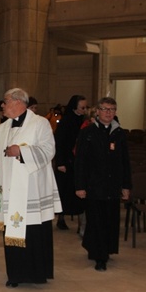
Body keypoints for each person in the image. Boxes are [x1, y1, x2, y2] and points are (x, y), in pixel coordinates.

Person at [0, 87, 61, 286]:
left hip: (32, 190)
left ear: (18, 102)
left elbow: (48, 150)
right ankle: (16, 274)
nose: (3, 105)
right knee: (12, 231)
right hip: (9, 189)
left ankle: (36, 273)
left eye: (6, 101)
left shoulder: (39, 123)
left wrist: (22, 151)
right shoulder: (4, 127)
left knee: (33, 232)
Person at [75, 97, 132, 272]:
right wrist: (80, 186)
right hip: (94, 185)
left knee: (110, 220)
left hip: (112, 185)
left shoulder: (120, 133)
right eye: (105, 109)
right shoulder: (88, 133)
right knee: (96, 221)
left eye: (112, 109)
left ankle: (105, 250)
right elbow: (81, 162)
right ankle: (100, 257)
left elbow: (125, 162)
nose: (108, 113)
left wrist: (126, 186)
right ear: (97, 111)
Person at [54, 95, 88, 232]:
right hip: (66, 161)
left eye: (86, 107)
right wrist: (60, 162)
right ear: (74, 107)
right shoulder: (66, 121)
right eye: (82, 107)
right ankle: (61, 218)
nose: (84, 110)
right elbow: (59, 142)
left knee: (79, 190)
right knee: (64, 191)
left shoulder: (84, 121)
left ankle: (82, 222)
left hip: (78, 161)